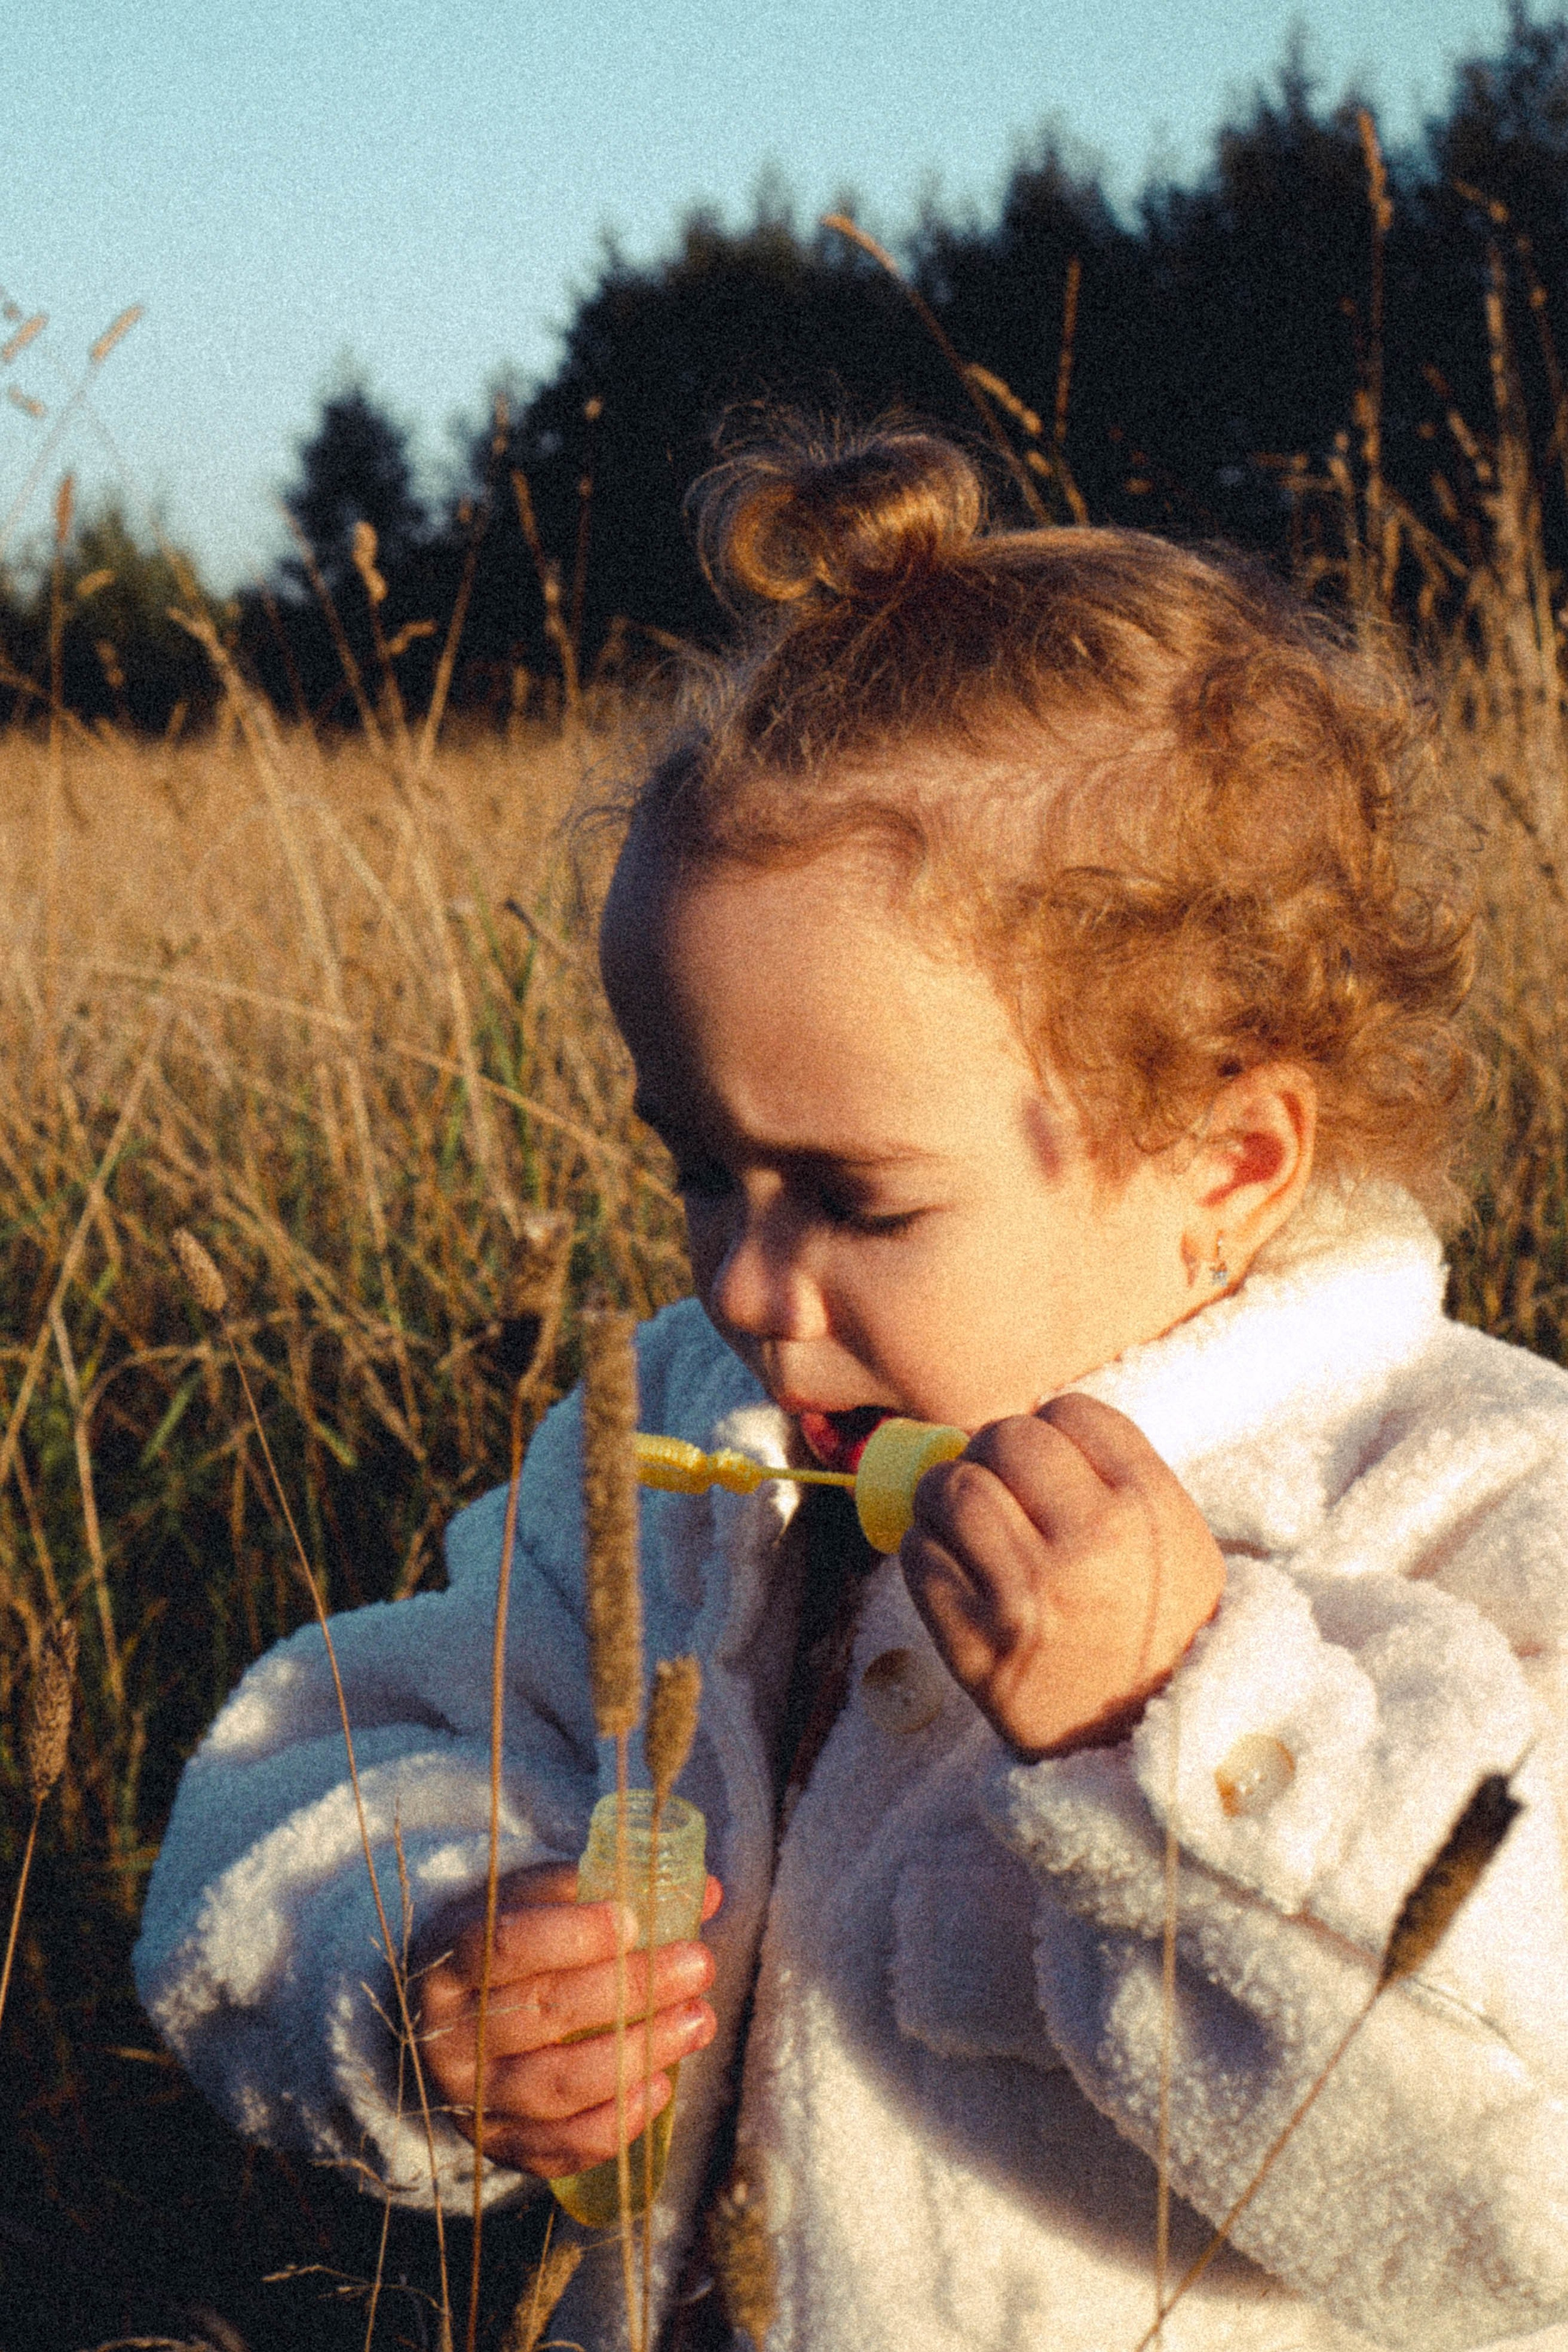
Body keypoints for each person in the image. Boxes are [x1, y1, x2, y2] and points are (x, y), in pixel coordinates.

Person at [135, 429, 1568, 2352]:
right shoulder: (683, 1448)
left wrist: (1185, 1735)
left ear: (1227, 1166)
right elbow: (319, 1763)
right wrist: (423, 1964)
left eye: (854, 1198)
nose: (741, 1277)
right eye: (698, 1167)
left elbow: (1520, 2216)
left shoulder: (1473, 1506)